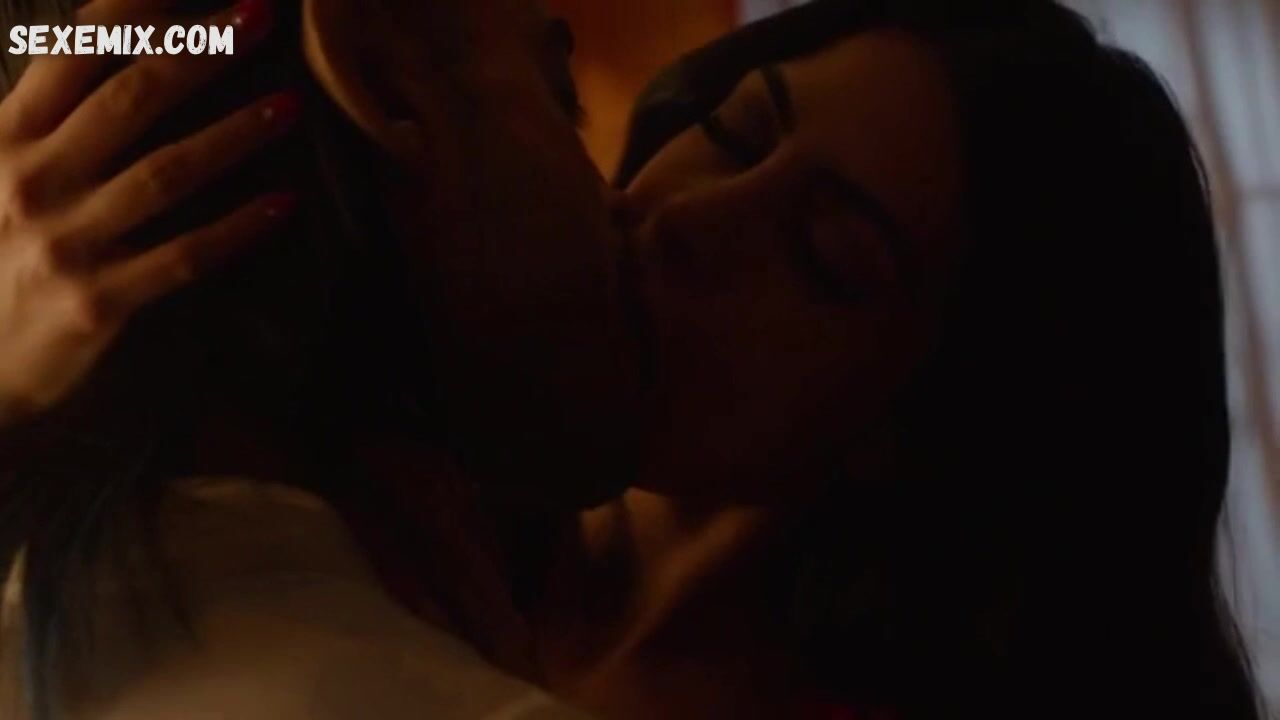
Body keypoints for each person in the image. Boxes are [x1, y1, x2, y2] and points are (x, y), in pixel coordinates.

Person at [0, 1, 1263, 720]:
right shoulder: (379, 489)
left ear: (936, 423)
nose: (691, 218)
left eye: (825, 256)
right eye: (730, 133)